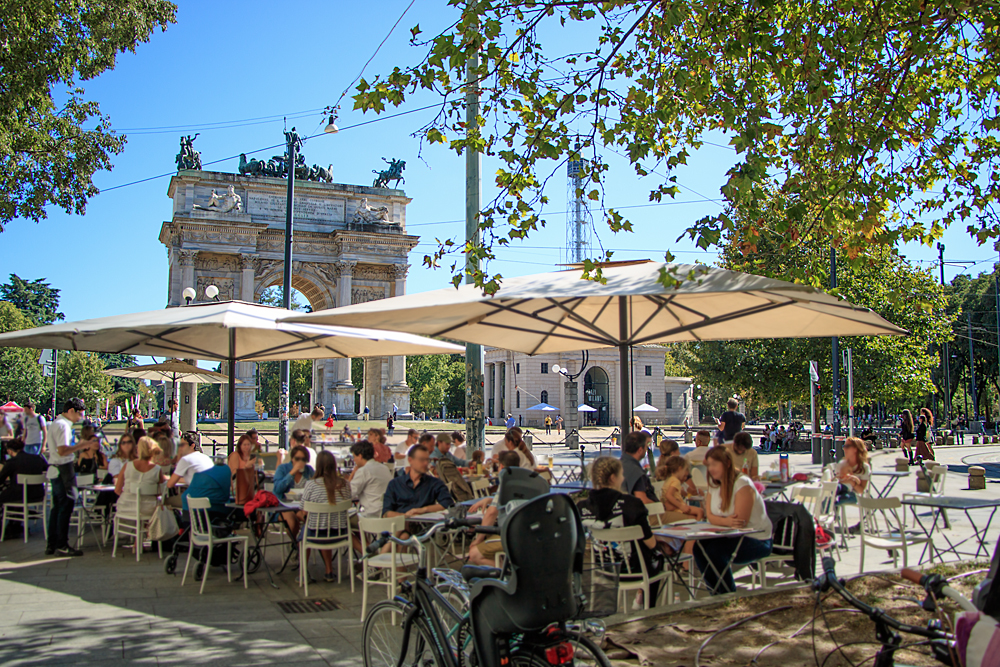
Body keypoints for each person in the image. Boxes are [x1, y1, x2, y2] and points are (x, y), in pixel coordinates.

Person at [577, 456, 664, 603]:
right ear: (613, 478)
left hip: (603, 566)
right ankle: (648, 604)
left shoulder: (583, 507)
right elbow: (650, 543)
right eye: (621, 474)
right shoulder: (632, 504)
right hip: (635, 568)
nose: (623, 479)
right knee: (659, 556)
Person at [699, 446, 773, 594]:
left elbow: (740, 522)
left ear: (726, 464)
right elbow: (710, 516)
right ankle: (714, 591)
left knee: (715, 551)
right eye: (709, 465)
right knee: (699, 546)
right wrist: (725, 521)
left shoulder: (742, 483)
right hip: (728, 534)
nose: (711, 469)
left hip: (756, 538)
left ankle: (728, 593)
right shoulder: (714, 484)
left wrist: (720, 521)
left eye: (715, 464)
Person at [46, 397, 95, 557]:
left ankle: (52, 544)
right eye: (80, 414)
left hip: (56, 467)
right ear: (71, 411)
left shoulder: (56, 423)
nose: (80, 418)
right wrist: (82, 445)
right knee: (66, 505)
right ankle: (61, 544)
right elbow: (63, 450)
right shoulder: (63, 426)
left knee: (57, 507)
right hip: (63, 468)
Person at [297, 450, 351, 582]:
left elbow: (304, 510)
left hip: (316, 533)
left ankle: (303, 572)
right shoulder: (345, 484)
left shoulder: (311, 485)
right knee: (325, 521)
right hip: (340, 532)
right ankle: (329, 570)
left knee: (305, 530)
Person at [467, 450, 521, 566]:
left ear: (501, 466)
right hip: (529, 534)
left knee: (474, 553)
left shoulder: (506, 483)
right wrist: (489, 499)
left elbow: (491, 513)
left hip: (509, 536)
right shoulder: (526, 481)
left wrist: (478, 539)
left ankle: (511, 574)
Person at [382, 445, 454, 520]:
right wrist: (406, 517)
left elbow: (448, 503)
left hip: (424, 525)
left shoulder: (434, 483)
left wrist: (423, 510)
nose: (426, 463)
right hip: (401, 523)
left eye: (428, 460)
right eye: (422, 460)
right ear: (410, 460)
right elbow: (386, 513)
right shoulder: (395, 484)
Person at [114, 436, 166, 537]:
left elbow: (117, 490)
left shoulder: (127, 466)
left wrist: (129, 496)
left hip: (126, 506)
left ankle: (136, 541)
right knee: (154, 508)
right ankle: (143, 538)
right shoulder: (157, 469)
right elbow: (161, 492)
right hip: (148, 508)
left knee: (138, 508)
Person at [0, 440, 47, 533]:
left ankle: (6, 528)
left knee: (5, 496)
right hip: (37, 494)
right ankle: (14, 525)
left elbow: (1, 479)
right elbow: (47, 470)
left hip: (19, 495)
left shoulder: (12, 462)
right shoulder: (37, 458)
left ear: (9, 451)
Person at [274, 442, 315, 537]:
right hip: (283, 506)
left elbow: (316, 487)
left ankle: (303, 544)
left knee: (311, 519)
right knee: (292, 521)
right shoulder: (283, 469)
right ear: (292, 459)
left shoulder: (309, 470)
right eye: (297, 459)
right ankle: (294, 546)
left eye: (303, 459)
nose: (300, 462)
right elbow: (278, 489)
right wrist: (292, 472)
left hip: (303, 506)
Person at [165, 432, 213, 506]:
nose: (180, 448)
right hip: (209, 499)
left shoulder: (186, 459)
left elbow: (170, 484)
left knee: (163, 502)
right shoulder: (206, 457)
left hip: (194, 500)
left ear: (192, 446)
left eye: (182, 445)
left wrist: (168, 478)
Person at [347, 439, 392, 518]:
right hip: (387, 512)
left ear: (360, 456)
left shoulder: (363, 471)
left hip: (371, 516)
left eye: (354, 457)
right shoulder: (384, 468)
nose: (354, 460)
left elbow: (349, 494)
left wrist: (353, 473)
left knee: (344, 520)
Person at [655, 456, 704, 523]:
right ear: (680, 469)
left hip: (670, 507)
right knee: (700, 511)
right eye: (685, 471)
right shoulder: (676, 481)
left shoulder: (669, 479)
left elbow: (674, 493)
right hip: (677, 507)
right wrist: (681, 506)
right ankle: (697, 527)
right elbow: (668, 495)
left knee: (695, 514)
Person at [620, 431, 657, 503]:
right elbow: (642, 499)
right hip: (647, 511)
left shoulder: (620, 464)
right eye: (646, 447)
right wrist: (660, 506)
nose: (647, 449)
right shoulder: (635, 471)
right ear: (640, 450)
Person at [836, 437, 870, 506]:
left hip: (853, 495)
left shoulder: (864, 467)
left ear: (855, 449)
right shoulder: (842, 463)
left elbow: (861, 491)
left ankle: (825, 512)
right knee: (832, 491)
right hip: (839, 491)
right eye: (844, 446)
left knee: (835, 496)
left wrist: (852, 482)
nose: (844, 449)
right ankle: (826, 512)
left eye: (847, 446)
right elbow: (838, 480)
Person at [227, 433, 259, 504]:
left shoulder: (250, 456)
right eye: (244, 445)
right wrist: (246, 466)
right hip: (237, 484)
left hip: (250, 482)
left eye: (248, 444)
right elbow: (234, 474)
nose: (247, 447)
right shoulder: (235, 455)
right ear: (240, 445)